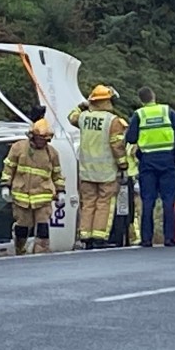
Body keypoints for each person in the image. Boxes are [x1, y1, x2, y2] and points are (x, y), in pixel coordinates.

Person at [68, 84, 129, 249]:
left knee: (88, 203)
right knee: (104, 203)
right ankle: (99, 237)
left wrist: (82, 105)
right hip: (106, 172)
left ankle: (85, 235)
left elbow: (71, 116)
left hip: (86, 171)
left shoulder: (83, 118)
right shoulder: (113, 121)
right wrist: (123, 166)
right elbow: (117, 147)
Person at [124, 86, 175, 247]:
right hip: (168, 160)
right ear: (154, 97)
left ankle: (146, 239)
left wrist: (140, 153)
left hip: (147, 162)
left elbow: (130, 138)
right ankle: (169, 238)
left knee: (148, 200)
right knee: (168, 200)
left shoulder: (139, 115)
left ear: (141, 100)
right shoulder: (168, 111)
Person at [0, 118, 67, 255]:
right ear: (32, 136)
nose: (42, 141)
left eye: (45, 138)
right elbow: (9, 168)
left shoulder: (52, 153)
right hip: (21, 198)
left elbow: (57, 174)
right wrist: (5, 186)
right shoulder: (18, 148)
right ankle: (20, 250)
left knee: (43, 229)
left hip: (43, 199)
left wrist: (61, 191)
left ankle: (40, 255)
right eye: (39, 138)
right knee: (22, 228)